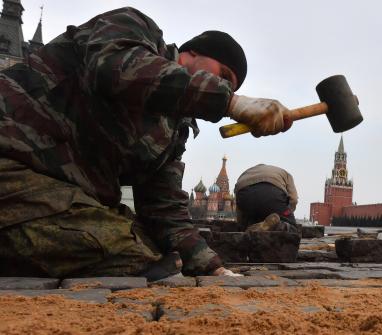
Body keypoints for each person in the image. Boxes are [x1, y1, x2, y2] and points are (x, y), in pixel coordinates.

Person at [0, 7, 293, 279]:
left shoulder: (173, 129)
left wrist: (211, 267)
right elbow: (115, 69)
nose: (225, 86)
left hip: (56, 190)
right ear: (191, 53)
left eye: (231, 86)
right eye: (225, 76)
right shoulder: (133, 29)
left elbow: (162, 205)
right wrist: (228, 102)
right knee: (115, 246)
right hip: (12, 161)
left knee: (154, 249)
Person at [235, 164, 298, 232]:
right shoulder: (286, 174)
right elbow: (294, 199)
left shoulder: (246, 173)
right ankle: (277, 226)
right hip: (271, 193)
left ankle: (257, 226)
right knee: (292, 229)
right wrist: (286, 213)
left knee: (255, 219)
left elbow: (238, 206)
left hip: (243, 195)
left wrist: (241, 225)